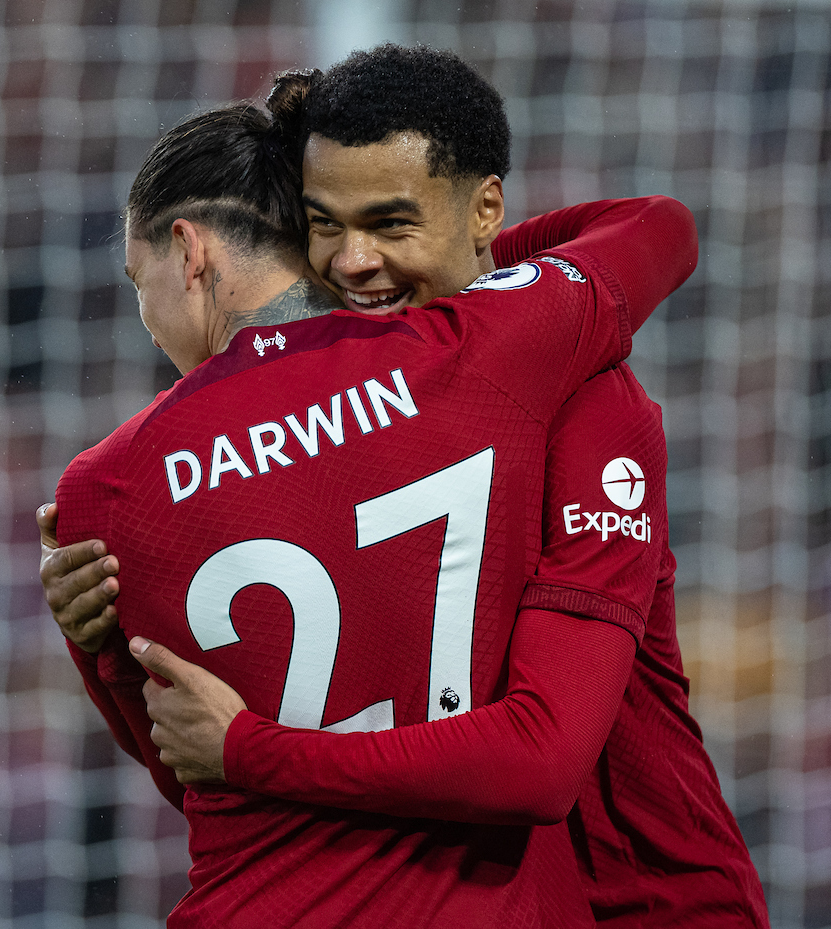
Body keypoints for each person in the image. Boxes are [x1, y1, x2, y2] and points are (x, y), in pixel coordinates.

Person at [46, 46, 766, 926]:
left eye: (392, 224)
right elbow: (206, 774)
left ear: (187, 253)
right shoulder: (500, 360)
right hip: (517, 900)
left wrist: (209, 722)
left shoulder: (108, 486)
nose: (353, 262)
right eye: (326, 226)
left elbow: (534, 756)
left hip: (632, 897)